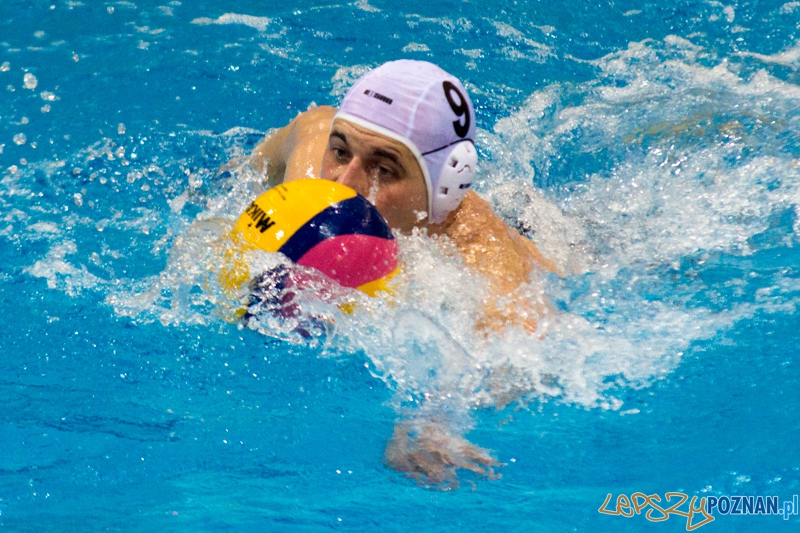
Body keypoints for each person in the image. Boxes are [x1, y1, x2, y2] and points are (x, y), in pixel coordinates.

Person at [247, 60, 556, 334]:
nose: (345, 183)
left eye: (383, 169)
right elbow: (308, 125)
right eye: (341, 152)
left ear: (445, 189)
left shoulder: (483, 261)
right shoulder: (308, 169)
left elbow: (520, 358)